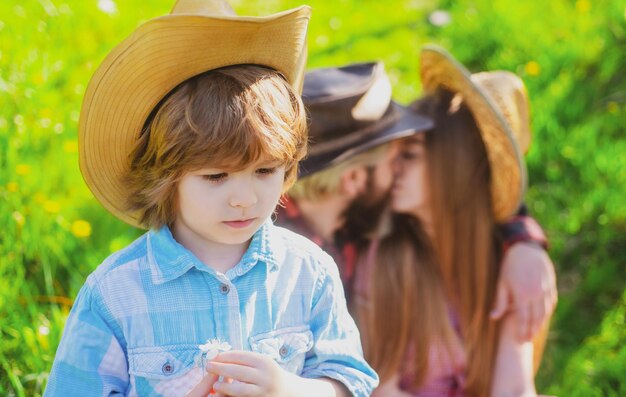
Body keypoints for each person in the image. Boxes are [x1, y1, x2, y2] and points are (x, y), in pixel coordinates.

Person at [44, 1, 377, 396]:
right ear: (167, 176)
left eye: (265, 171)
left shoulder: (308, 271)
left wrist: (290, 389)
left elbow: (350, 382)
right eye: (215, 176)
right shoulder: (116, 294)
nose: (244, 198)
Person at [279, 61, 556, 339]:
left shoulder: (366, 213)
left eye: (407, 156)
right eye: (398, 157)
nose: (399, 168)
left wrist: (525, 244)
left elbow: (475, 199)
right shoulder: (283, 259)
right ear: (353, 180)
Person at [363, 45, 552, 396]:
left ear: (455, 168)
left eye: (412, 154)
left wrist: (526, 245)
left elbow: (513, 388)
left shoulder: (504, 269)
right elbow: (380, 389)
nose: (394, 164)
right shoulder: (386, 258)